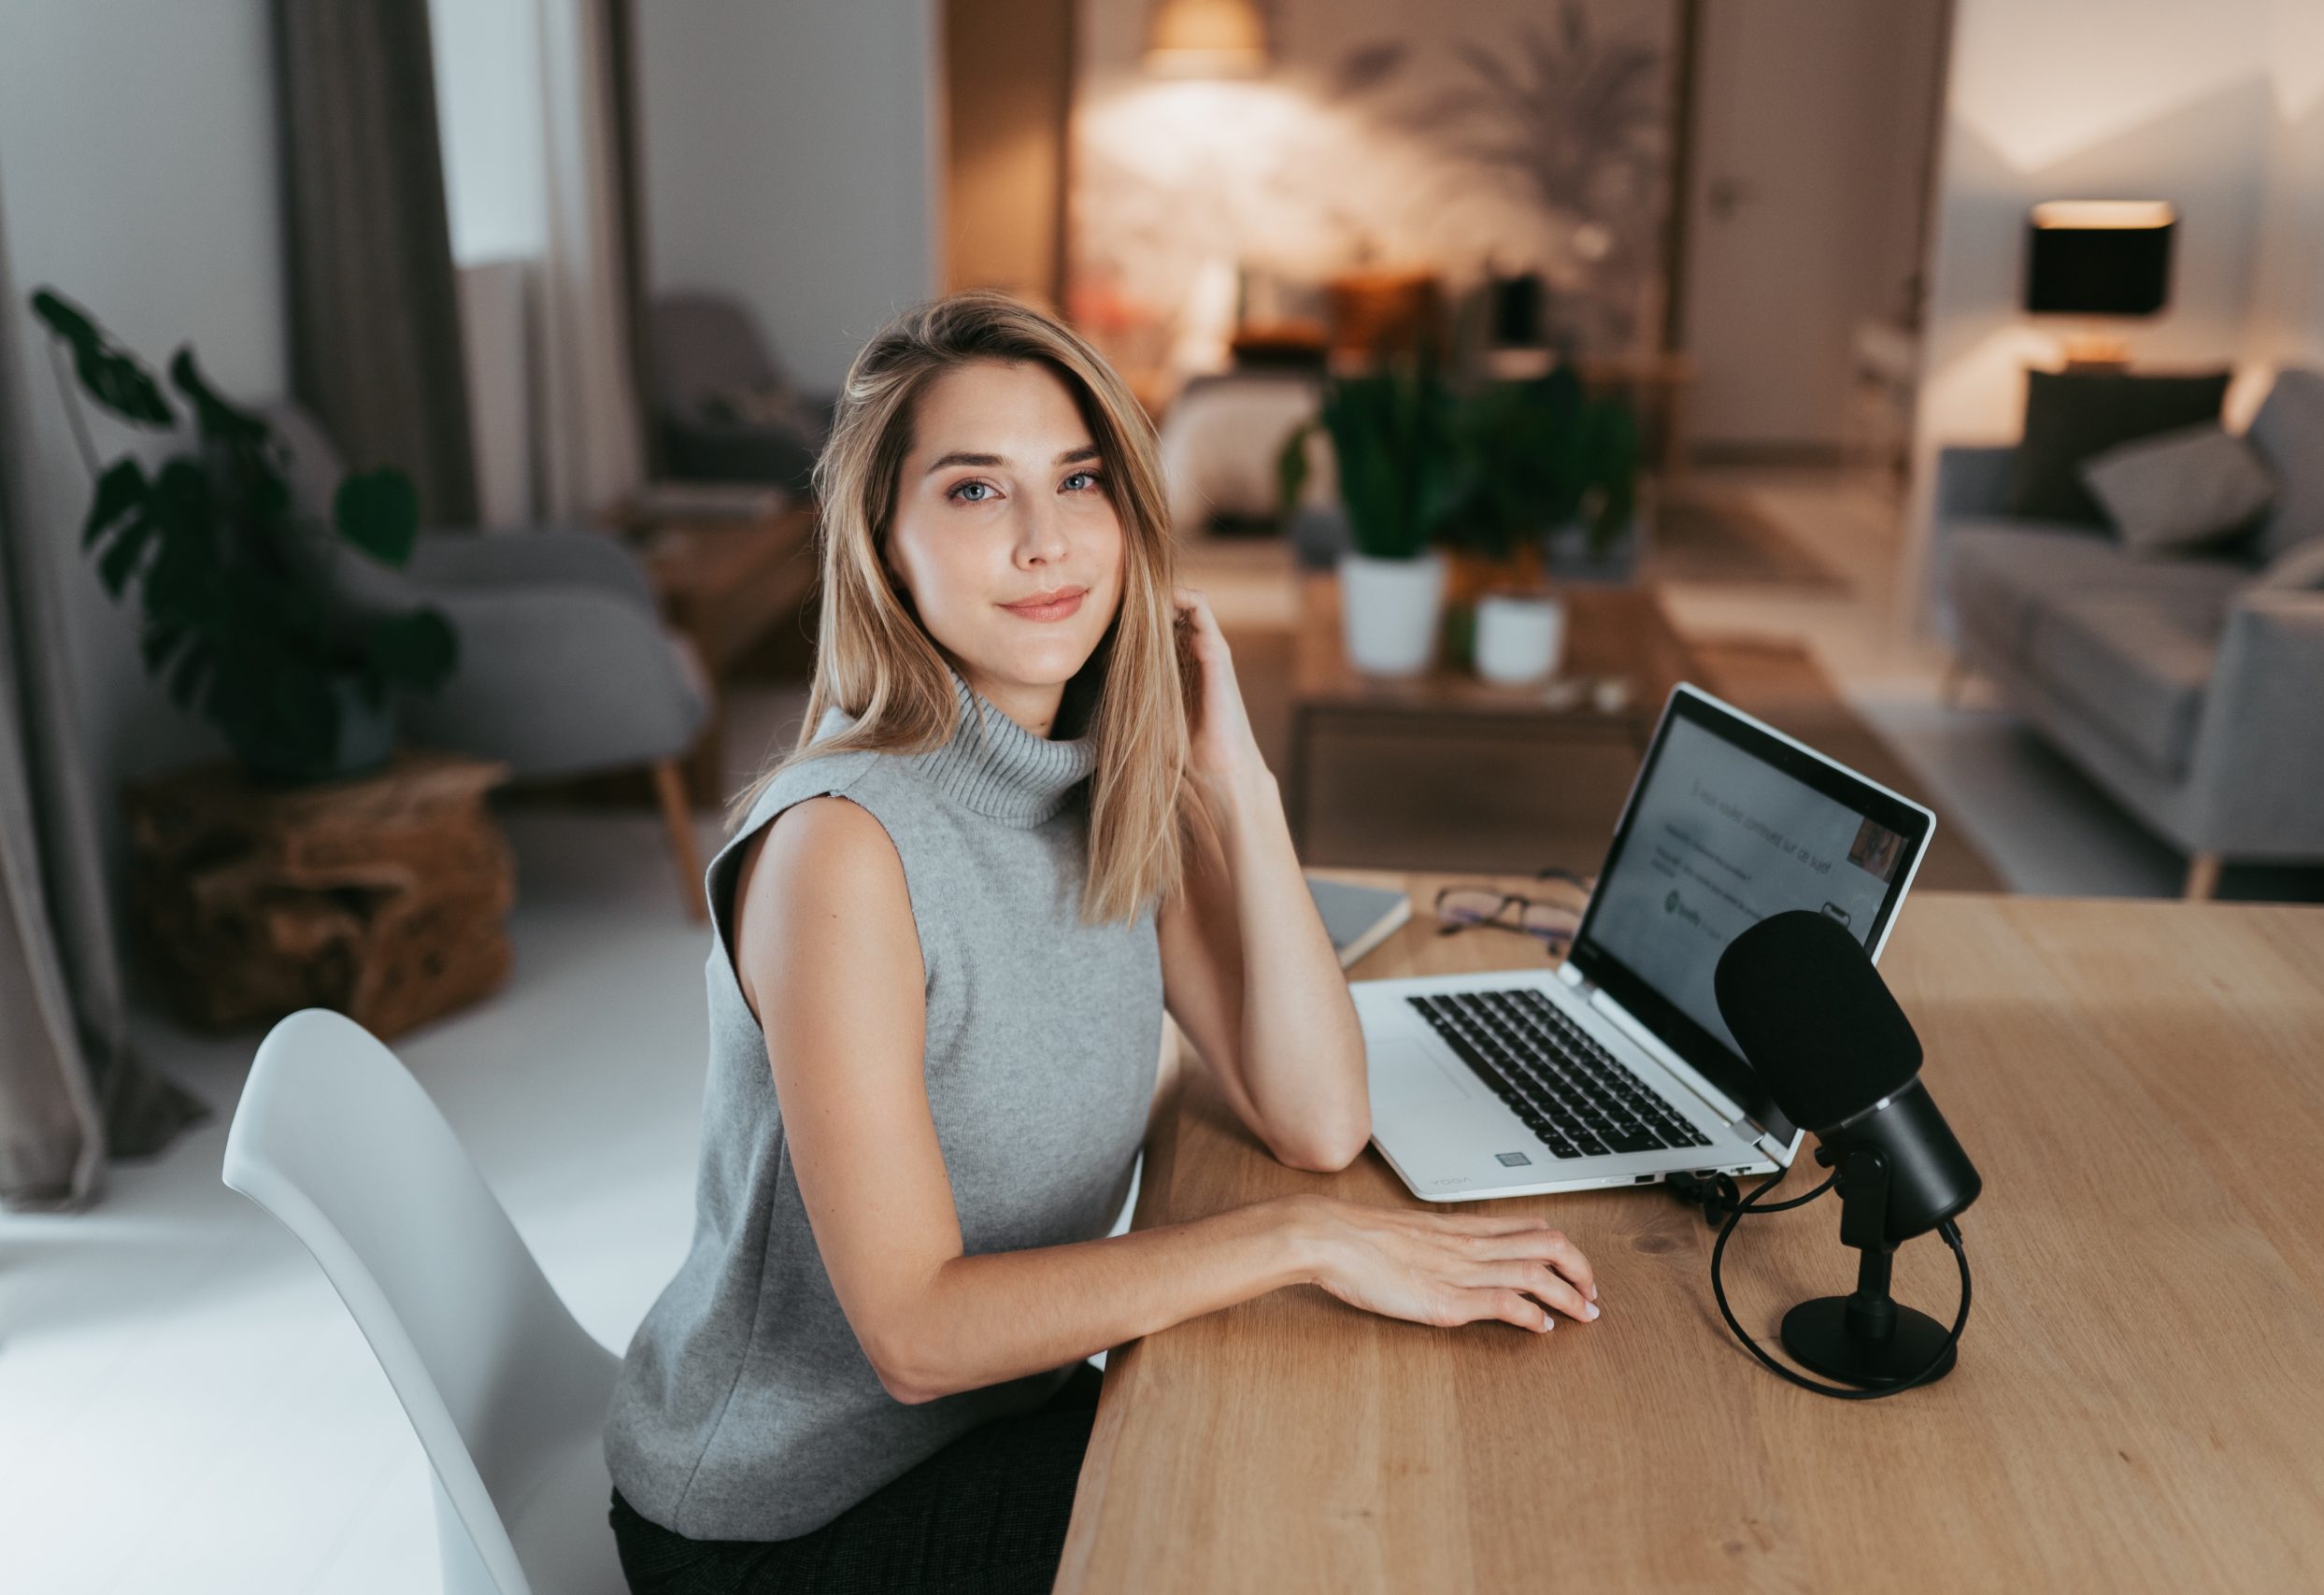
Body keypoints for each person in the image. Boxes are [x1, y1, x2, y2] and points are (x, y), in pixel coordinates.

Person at [603, 292, 1601, 1592]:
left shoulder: (1101, 790)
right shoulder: (842, 850)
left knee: (1366, 1463)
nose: (1045, 541)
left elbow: (1316, 1121)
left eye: (1079, 480)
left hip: (1000, 1416)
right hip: (791, 1517)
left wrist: (1240, 782)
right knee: (1312, 1532)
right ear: (885, 546)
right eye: (974, 492)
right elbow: (911, 1335)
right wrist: (1302, 1243)